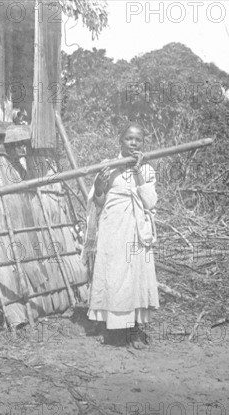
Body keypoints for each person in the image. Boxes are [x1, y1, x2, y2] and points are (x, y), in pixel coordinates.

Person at [83, 124, 159, 349]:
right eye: (129, 138)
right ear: (121, 140)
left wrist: (136, 171)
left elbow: (150, 202)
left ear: (143, 143)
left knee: (136, 276)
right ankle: (109, 327)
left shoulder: (147, 170)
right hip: (113, 228)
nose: (133, 143)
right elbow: (97, 202)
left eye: (138, 139)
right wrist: (98, 187)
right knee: (113, 275)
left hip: (136, 230)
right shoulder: (108, 167)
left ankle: (134, 329)